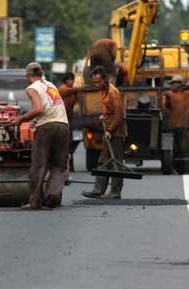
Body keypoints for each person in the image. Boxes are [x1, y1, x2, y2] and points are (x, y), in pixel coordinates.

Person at [12, 62, 69, 209]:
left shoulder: (32, 88)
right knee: (59, 165)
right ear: (41, 74)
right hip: (63, 125)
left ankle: (35, 202)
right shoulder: (51, 85)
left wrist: (21, 119)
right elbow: (51, 105)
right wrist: (36, 121)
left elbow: (38, 108)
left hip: (47, 127)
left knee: (39, 165)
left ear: (28, 76)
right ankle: (53, 195)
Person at [81, 66, 127, 200]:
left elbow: (120, 115)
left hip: (116, 132)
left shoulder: (113, 92)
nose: (96, 85)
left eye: (99, 82)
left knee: (116, 162)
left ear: (105, 80)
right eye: (95, 82)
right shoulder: (103, 91)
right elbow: (111, 110)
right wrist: (105, 115)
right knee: (103, 160)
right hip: (109, 130)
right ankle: (98, 190)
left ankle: (115, 191)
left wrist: (111, 130)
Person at [165, 74, 189, 164]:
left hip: (182, 125)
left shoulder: (187, 94)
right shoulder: (170, 95)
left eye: (176, 83)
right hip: (172, 126)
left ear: (181, 84)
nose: (174, 85)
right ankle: (174, 164)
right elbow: (167, 105)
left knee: (183, 146)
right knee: (173, 146)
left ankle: (183, 164)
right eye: (173, 84)